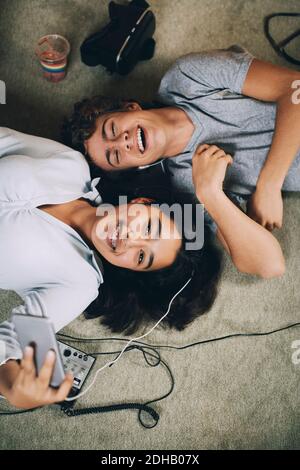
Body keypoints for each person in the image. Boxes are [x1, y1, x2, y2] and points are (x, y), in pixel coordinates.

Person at [0, 127, 223, 409]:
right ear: (143, 202)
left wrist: (9, 383)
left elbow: (11, 343)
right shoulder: (72, 166)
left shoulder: (79, 284)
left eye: (142, 258)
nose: (131, 240)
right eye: (150, 227)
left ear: (131, 271)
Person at [63, 45, 300, 275]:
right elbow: (269, 265)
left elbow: (294, 87)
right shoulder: (187, 185)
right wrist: (211, 194)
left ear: (130, 107)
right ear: (136, 167)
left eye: (112, 129)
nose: (121, 142)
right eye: (115, 156)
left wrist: (270, 184)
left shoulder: (187, 77)